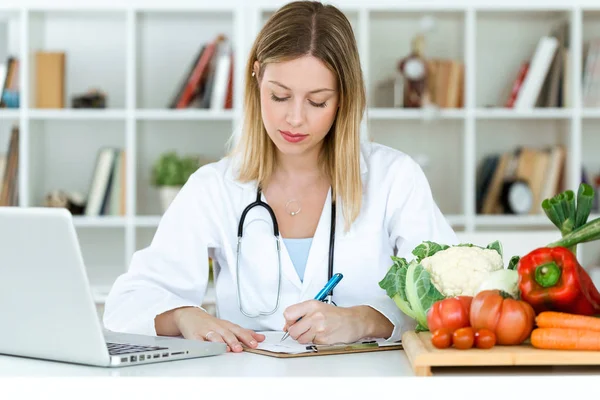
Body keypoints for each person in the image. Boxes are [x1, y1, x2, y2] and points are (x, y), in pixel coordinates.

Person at [103, 0, 458, 353]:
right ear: (256, 77)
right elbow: (126, 303)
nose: (294, 118)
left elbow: (452, 296)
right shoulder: (214, 188)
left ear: (344, 100)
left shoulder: (395, 179)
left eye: (317, 101)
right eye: (279, 96)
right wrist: (184, 316)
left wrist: (366, 320)